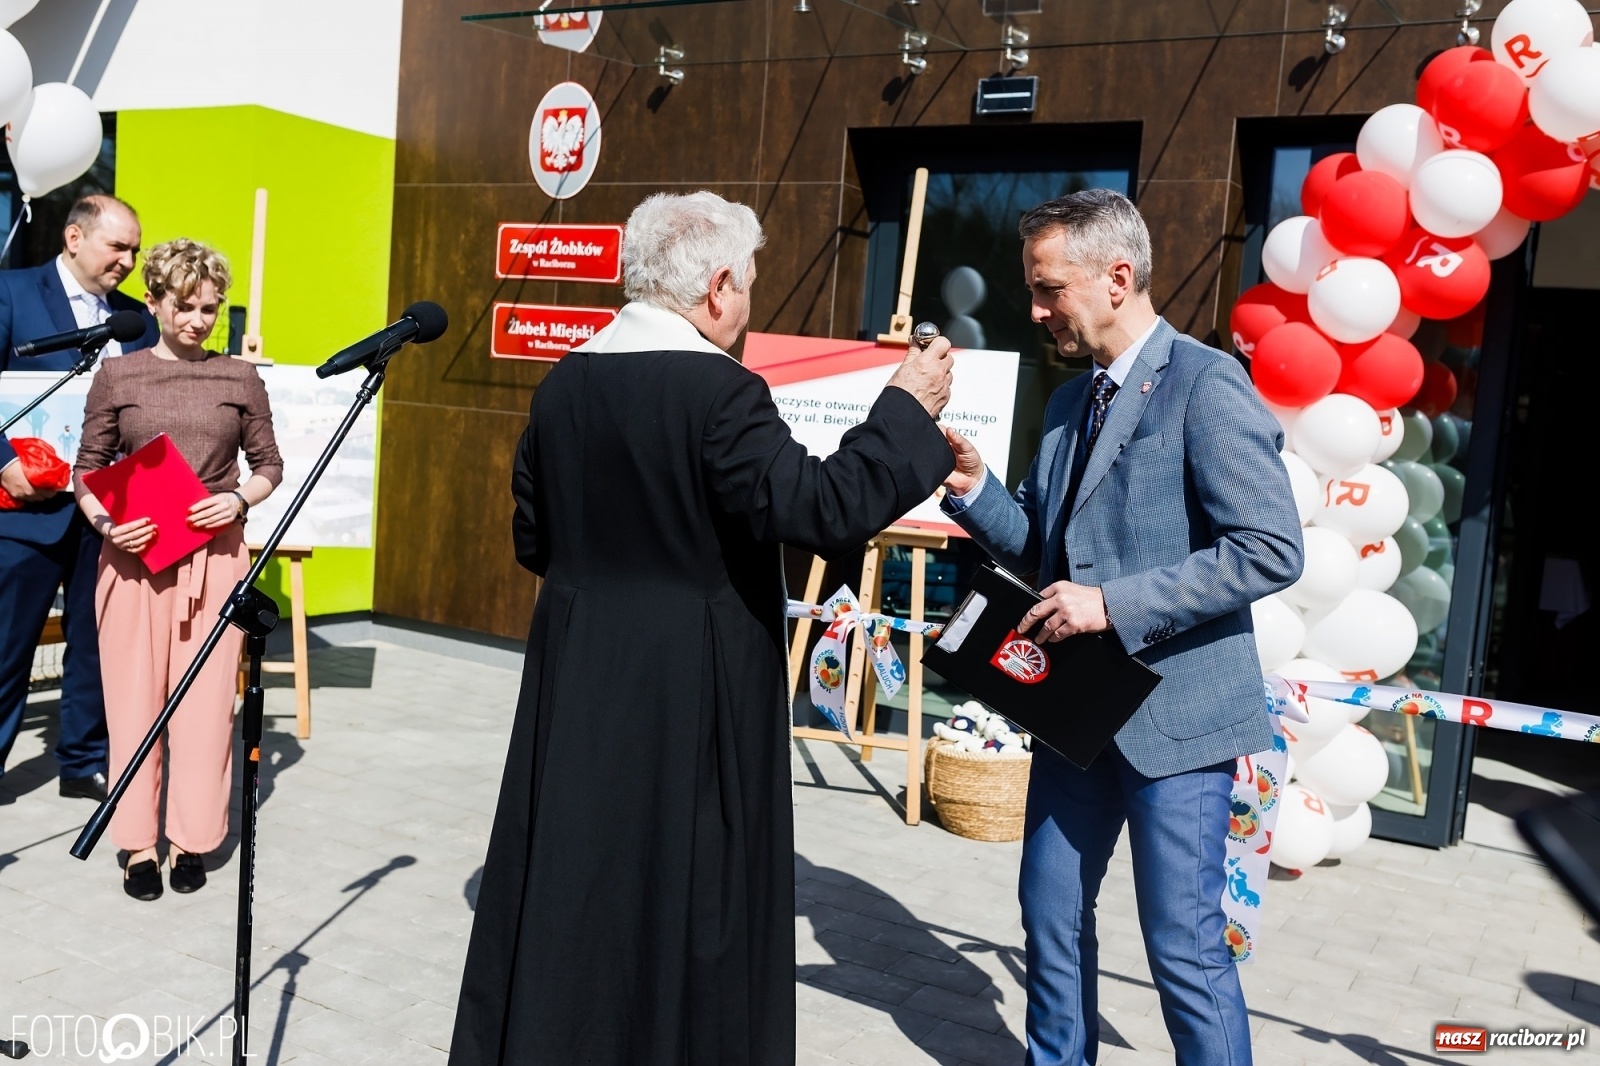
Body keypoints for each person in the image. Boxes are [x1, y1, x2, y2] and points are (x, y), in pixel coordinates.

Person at [450, 191, 955, 1066]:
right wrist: (904, 408)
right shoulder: (719, 392)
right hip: (690, 688)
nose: (751, 301)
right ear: (718, 286)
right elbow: (822, 511)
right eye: (751, 282)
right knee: (690, 901)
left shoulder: (566, 382)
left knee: (584, 888)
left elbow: (535, 536)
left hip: (578, 682)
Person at [939, 189, 1304, 1066]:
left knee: (1183, 951)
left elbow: (1270, 549)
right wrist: (975, 487)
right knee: (1048, 914)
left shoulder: (1208, 384)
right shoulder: (1068, 407)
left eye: (1047, 289)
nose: (1034, 309)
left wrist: (1114, 605)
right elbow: (1045, 550)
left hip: (1178, 724)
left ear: (1116, 276)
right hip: (1075, 721)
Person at [72, 238, 282, 901]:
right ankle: (137, 843)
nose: (198, 320)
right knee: (132, 707)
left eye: (210, 309)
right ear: (154, 300)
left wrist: (236, 499)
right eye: (185, 306)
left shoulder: (240, 378)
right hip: (132, 565)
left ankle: (194, 838)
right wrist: (108, 523)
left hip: (215, 562)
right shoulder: (118, 376)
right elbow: (88, 468)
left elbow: (269, 465)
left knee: (206, 709)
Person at [0, 194, 158, 801]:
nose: (128, 260)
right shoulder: (12, 293)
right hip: (26, 509)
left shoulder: (134, 321)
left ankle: (84, 762)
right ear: (73, 238)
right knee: (8, 645)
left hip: (111, 513)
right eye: (118, 246)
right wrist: (5, 463)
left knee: (96, 645)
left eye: (134, 251)